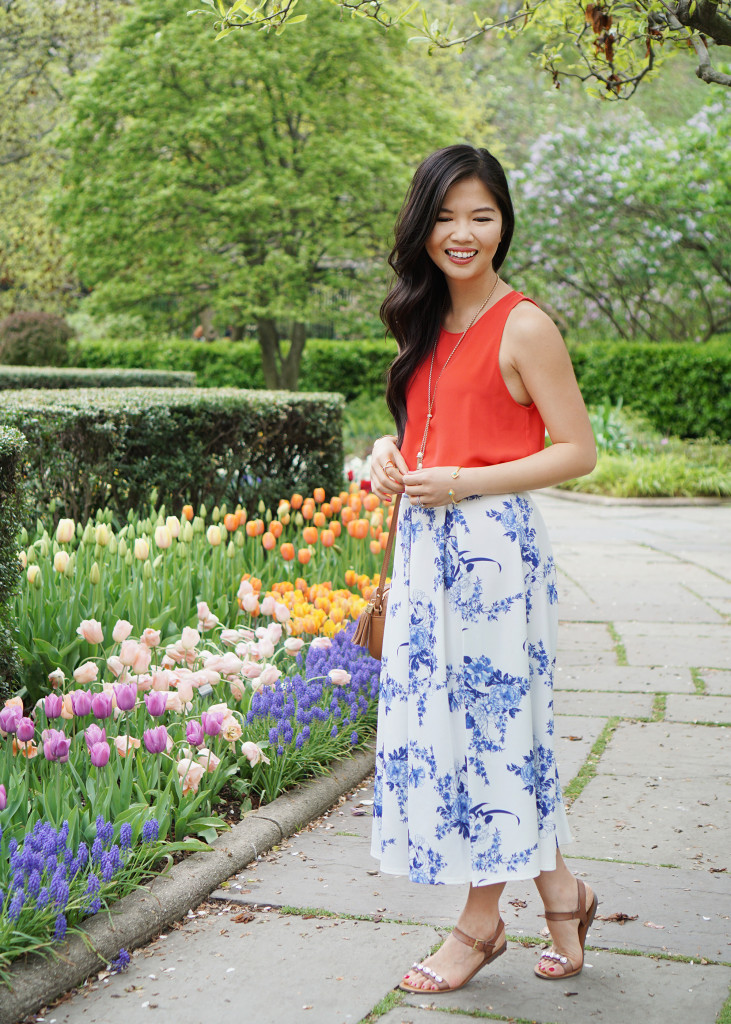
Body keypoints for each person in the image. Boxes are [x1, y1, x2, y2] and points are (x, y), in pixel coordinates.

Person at [369, 145, 599, 993]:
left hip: (495, 555)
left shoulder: (524, 322)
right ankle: (564, 896)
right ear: (421, 224)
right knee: (467, 739)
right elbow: (424, 424)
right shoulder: (424, 317)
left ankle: (477, 926)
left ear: (503, 221)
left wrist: (464, 480)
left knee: (492, 740)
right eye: (443, 216)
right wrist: (387, 452)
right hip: (426, 552)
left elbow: (578, 452)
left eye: (480, 215)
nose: (461, 234)